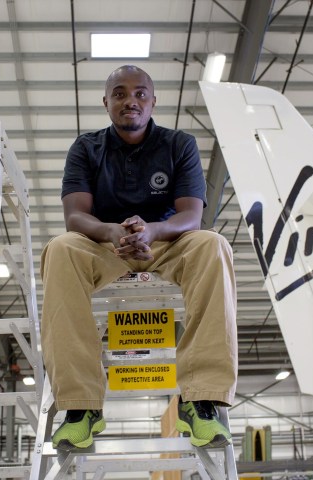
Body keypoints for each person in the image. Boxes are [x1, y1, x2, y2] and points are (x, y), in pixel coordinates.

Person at [40, 65, 238, 450]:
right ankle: (82, 407)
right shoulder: (86, 147)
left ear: (152, 101)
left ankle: (200, 400)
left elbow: (191, 216)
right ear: (106, 102)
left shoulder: (178, 144)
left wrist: (151, 230)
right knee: (61, 249)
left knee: (213, 244)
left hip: (166, 244)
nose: (130, 100)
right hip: (105, 245)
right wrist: (114, 232)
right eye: (119, 93)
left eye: (139, 93)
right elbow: (75, 216)